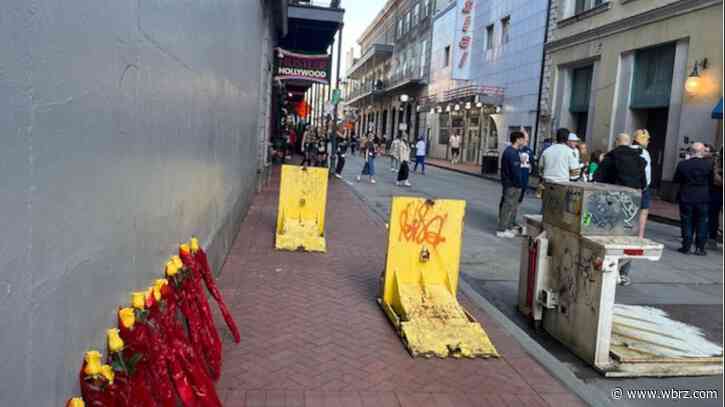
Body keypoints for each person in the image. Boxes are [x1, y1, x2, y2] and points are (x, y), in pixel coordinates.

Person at [594, 133, 647, 286]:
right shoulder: (639, 159)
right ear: (629, 143)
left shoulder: (610, 158)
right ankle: (623, 273)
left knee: (608, 237)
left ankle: (605, 268)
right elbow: (644, 184)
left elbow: (598, 180)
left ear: (616, 142)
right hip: (632, 203)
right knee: (627, 237)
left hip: (612, 202)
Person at [674, 143, 713, 256]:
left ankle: (686, 246)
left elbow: (676, 180)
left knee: (687, 222)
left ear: (691, 151)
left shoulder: (683, 164)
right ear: (702, 151)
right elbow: (711, 182)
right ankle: (700, 248)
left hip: (686, 196)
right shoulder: (709, 165)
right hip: (703, 197)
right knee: (702, 222)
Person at [497, 131, 527, 238]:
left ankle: (507, 227)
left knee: (512, 206)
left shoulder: (513, 151)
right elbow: (515, 171)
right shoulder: (511, 152)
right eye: (523, 139)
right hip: (512, 184)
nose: (524, 141)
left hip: (511, 183)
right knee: (508, 206)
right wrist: (520, 184)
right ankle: (502, 229)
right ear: (518, 139)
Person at [631, 129, 653, 239]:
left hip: (627, 186)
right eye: (647, 140)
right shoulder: (645, 153)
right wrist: (645, 186)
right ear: (643, 140)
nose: (648, 142)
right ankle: (640, 236)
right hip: (642, 188)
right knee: (643, 212)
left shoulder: (627, 150)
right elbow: (647, 173)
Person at [707, 146, 723, 249]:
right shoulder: (715, 163)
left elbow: (716, 180)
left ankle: (712, 238)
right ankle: (711, 238)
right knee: (713, 216)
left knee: (713, 215)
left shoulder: (715, 163)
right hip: (716, 193)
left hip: (716, 193)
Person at [518, 128, 533, 203]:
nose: (526, 141)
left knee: (519, 199)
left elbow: (532, 162)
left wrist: (531, 166)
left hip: (524, 177)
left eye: (527, 140)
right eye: (525, 139)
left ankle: (514, 213)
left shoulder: (529, 150)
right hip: (515, 178)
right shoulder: (515, 149)